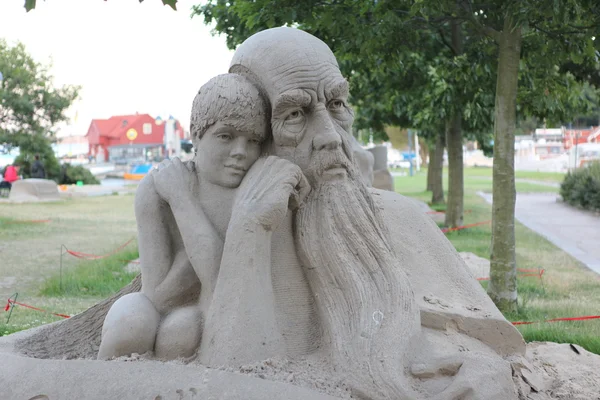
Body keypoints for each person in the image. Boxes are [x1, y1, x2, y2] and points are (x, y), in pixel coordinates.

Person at [197, 27, 522, 399]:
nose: (332, 136)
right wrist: (249, 230)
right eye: (295, 114)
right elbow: (224, 377)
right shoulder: (221, 230)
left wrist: (488, 367)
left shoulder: (402, 220)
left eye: (336, 105)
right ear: (256, 132)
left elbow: (490, 342)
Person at [98, 73, 271, 360]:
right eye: (226, 136)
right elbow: (159, 296)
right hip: (161, 306)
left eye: (253, 140)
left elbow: (220, 281)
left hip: (214, 313)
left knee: (183, 330)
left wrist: (182, 201)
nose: (241, 152)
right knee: (130, 323)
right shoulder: (156, 189)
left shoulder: (252, 192)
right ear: (196, 134)